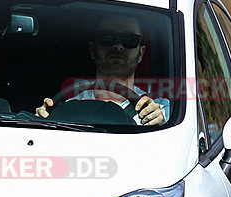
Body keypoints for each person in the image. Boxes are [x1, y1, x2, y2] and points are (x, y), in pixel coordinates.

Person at [36, 12, 169, 127]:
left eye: (129, 40)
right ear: (93, 49)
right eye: (107, 38)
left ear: (141, 53)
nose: (118, 46)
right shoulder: (66, 107)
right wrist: (41, 121)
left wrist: (162, 121)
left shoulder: (160, 109)